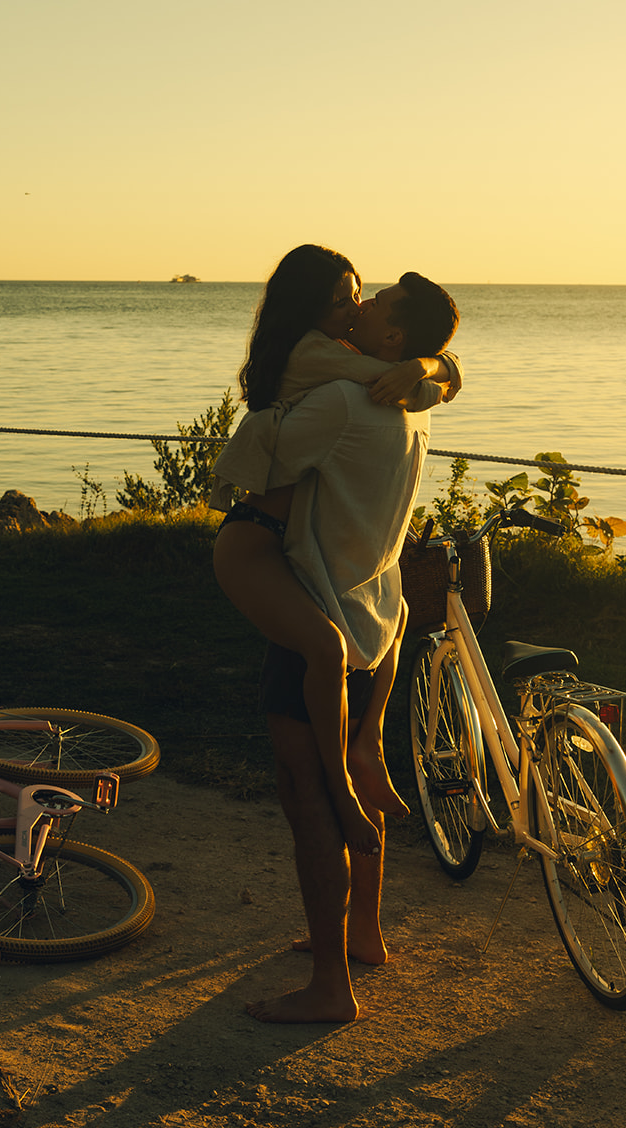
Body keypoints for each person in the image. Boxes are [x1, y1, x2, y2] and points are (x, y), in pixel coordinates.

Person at [233, 270, 460, 1024]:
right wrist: (438, 369)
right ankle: (363, 935)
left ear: (393, 336)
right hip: (374, 615)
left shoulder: (342, 398)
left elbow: (259, 467)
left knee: (313, 800)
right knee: (355, 778)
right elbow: (429, 383)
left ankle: (330, 988)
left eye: (375, 301)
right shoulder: (411, 403)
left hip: (318, 602)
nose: (359, 306)